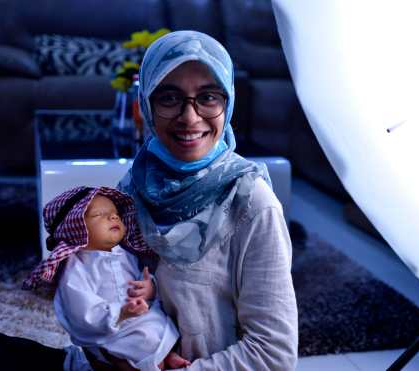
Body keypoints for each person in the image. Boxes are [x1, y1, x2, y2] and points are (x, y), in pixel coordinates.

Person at [116, 30, 298, 370]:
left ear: (227, 102)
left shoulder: (251, 203)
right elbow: (112, 296)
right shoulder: (132, 186)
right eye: (169, 98)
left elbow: (274, 354)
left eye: (208, 97)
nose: (190, 117)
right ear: (146, 104)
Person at [22, 186, 190, 371]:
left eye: (115, 213)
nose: (113, 217)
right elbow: (81, 310)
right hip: (110, 327)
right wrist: (122, 313)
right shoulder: (76, 266)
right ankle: (153, 363)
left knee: (162, 325)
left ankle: (166, 355)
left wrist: (150, 288)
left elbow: (142, 278)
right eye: (99, 215)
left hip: (139, 315)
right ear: (75, 226)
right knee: (140, 341)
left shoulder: (126, 253)